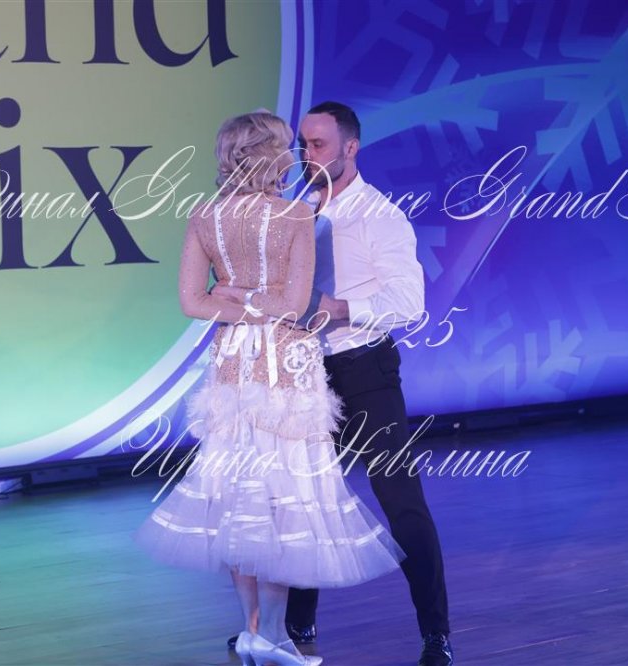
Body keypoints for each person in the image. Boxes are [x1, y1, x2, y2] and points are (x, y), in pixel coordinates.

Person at [135, 110, 406, 666]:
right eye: (286, 146)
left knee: (242, 495)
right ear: (269, 155)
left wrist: (235, 297)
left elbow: (193, 302)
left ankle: (255, 630)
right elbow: (293, 304)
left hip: (233, 366)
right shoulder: (295, 215)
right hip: (286, 368)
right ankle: (275, 636)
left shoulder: (205, 216)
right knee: (284, 497)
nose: (294, 157)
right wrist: (260, 303)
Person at [220, 101, 455, 666]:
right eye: (302, 144)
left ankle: (435, 633)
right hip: (301, 372)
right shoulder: (292, 209)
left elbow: (409, 302)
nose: (307, 155)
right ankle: (292, 628)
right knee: (299, 501)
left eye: (319, 144)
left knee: (401, 501)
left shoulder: (380, 216)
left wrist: (339, 308)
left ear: (351, 147)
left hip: (363, 370)